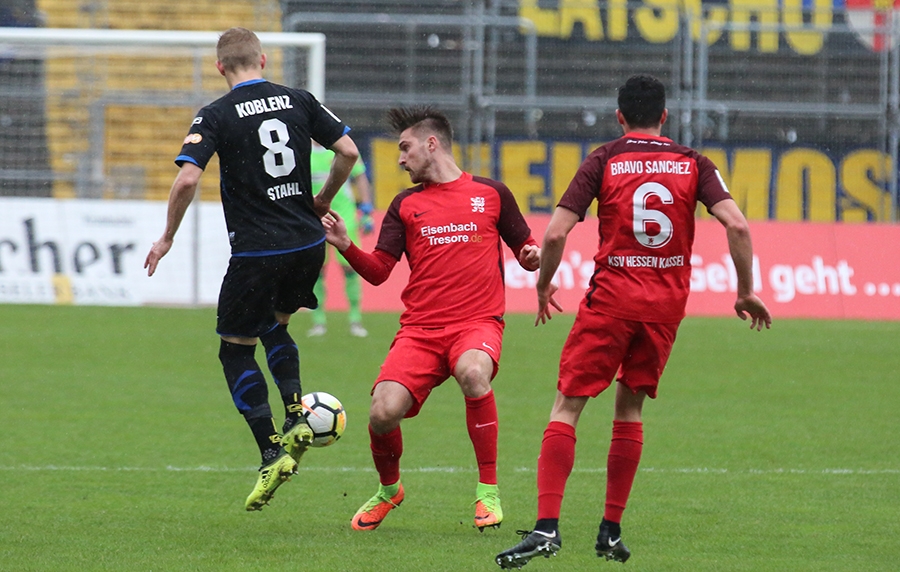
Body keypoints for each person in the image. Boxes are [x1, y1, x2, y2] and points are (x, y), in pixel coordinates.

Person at [495, 75, 772, 569]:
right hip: (664, 309)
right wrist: (746, 290)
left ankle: (546, 529)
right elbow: (737, 224)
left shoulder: (604, 158)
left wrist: (543, 285)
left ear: (619, 116)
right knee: (630, 410)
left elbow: (555, 234)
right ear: (664, 116)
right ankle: (610, 531)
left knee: (567, 406)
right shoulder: (694, 163)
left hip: (612, 301)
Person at [143, 27, 360, 511]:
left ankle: (270, 451)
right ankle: (297, 413)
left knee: (235, 350)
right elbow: (348, 151)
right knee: (275, 326)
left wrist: (168, 236)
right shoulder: (299, 99)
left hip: (258, 251)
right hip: (307, 243)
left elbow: (187, 179)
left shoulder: (216, 114)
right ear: (262, 60)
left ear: (220, 66)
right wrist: (322, 200)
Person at [321, 106, 541, 532]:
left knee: (473, 373)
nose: (400, 159)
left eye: (405, 148)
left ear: (432, 143)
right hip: (420, 332)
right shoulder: (405, 205)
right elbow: (380, 271)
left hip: (476, 323)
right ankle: (390, 490)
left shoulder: (492, 193)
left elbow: (527, 251)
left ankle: (488, 492)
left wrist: (532, 258)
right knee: (382, 412)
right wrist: (346, 244)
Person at [307, 141, 374, 338]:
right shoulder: (303, 149)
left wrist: (366, 209)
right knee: (317, 270)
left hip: (344, 215)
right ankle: (318, 321)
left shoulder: (341, 147)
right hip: (314, 218)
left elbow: (360, 177)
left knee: (350, 268)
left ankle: (355, 319)